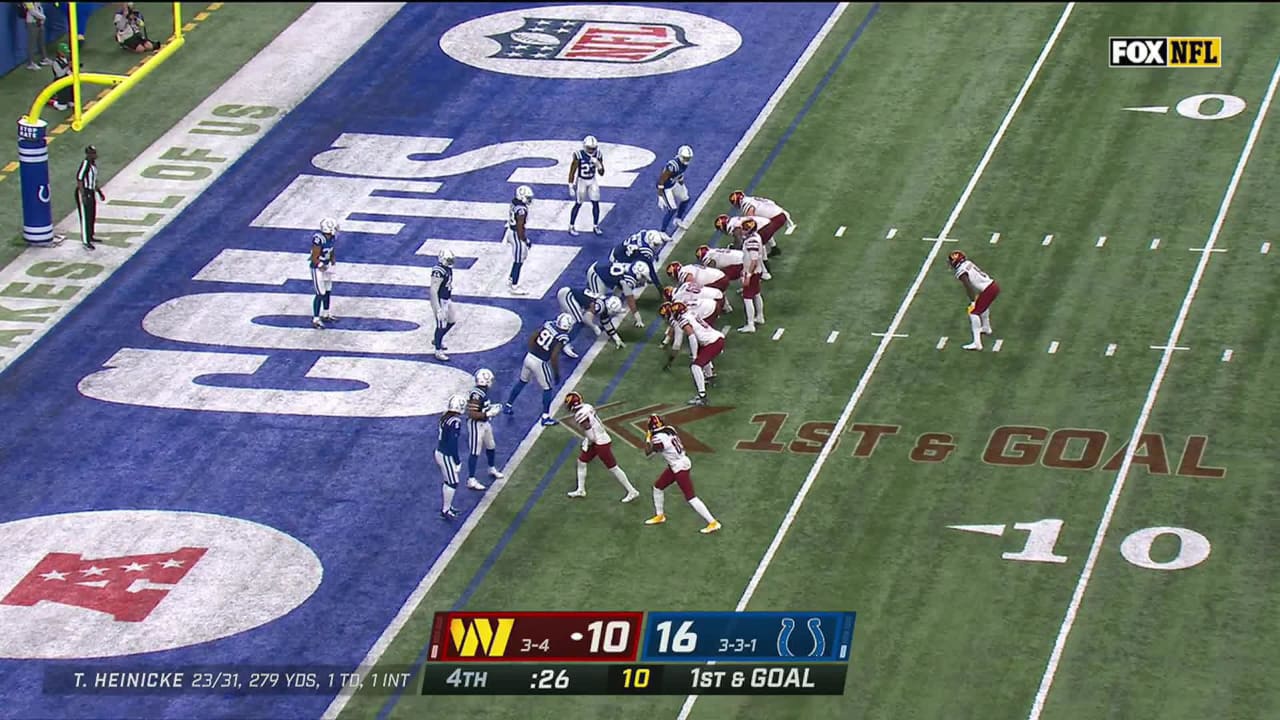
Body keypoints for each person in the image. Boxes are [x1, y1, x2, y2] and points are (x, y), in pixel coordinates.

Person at [643, 414, 720, 534]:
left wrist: (648, 438)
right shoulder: (670, 429)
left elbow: (648, 453)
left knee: (691, 497)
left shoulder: (658, 438)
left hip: (679, 467)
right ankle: (660, 515)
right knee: (658, 487)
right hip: (679, 463)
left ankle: (713, 522)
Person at [503, 313, 578, 426]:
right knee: (547, 388)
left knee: (522, 382)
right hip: (540, 362)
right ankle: (545, 417)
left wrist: (533, 350)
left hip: (529, 356)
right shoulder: (562, 336)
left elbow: (533, 336)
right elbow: (554, 356)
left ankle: (508, 405)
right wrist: (556, 373)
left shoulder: (549, 325)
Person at [564, 392, 639, 502]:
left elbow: (591, 436)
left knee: (613, 468)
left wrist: (587, 443)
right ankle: (580, 490)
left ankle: (632, 491)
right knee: (581, 461)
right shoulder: (587, 406)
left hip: (600, 443)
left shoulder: (580, 415)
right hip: (600, 438)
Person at [659, 301, 725, 407]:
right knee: (701, 351)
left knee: (695, 366)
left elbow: (692, 336)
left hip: (713, 342)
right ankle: (710, 377)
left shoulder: (683, 320)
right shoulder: (690, 313)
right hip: (716, 338)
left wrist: (694, 357)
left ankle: (702, 396)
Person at [948, 251, 1000, 351]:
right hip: (992, 285)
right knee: (983, 306)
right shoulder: (968, 263)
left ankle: (977, 343)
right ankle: (986, 328)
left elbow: (968, 286)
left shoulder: (961, 271)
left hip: (988, 289)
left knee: (973, 312)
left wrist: (972, 301)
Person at [465, 368, 504, 490]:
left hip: (485, 423)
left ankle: (491, 468)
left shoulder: (483, 391)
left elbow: (482, 408)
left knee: (491, 446)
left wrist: (492, 408)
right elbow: (471, 413)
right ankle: (471, 479)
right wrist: (488, 414)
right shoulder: (477, 394)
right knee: (475, 452)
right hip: (476, 425)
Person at [436, 395, 467, 520]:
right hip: (446, 454)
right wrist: (457, 460)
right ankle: (446, 510)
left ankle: (447, 507)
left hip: (440, 451)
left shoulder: (445, 416)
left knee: (448, 481)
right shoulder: (455, 421)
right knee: (453, 482)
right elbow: (452, 443)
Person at [568, 135, 605, 236]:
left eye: (593, 148)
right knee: (578, 203)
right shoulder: (578, 155)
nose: (591, 150)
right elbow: (573, 170)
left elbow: (602, 173)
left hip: (592, 180)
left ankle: (595, 225)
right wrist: (570, 185)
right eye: (589, 148)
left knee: (596, 203)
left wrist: (599, 165)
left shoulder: (598, 154)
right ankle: (571, 226)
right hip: (581, 181)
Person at [503, 185, 534, 295]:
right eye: (527, 197)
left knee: (522, 256)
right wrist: (525, 240)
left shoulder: (515, 203)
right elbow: (520, 227)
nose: (529, 199)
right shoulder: (521, 210)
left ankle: (512, 279)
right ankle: (514, 286)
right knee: (518, 260)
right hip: (516, 234)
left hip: (512, 231)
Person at [309, 218, 338, 328]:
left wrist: (332, 261)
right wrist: (321, 265)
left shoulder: (330, 237)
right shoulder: (319, 239)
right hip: (317, 268)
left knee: (327, 291)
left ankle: (326, 313)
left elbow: (331, 250)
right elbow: (314, 257)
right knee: (320, 293)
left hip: (326, 266)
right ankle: (316, 319)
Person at [657, 145, 694, 232]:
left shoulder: (683, 164)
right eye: (685, 158)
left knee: (686, 199)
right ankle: (662, 231)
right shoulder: (672, 165)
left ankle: (678, 220)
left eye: (688, 158)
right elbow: (662, 179)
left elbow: (679, 174)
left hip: (674, 183)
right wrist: (660, 195)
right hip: (666, 188)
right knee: (672, 209)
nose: (687, 160)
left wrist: (681, 183)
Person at [75, 146, 105, 251]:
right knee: (85, 217)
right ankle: (85, 241)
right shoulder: (86, 164)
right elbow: (79, 178)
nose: (95, 155)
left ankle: (90, 236)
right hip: (84, 191)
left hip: (91, 191)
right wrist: (83, 195)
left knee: (91, 215)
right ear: (88, 154)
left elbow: (93, 181)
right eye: (93, 153)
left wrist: (99, 192)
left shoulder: (93, 165)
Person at [429, 250, 456, 361]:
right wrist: (438, 308)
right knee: (441, 325)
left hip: (447, 299)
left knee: (452, 320)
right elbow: (433, 291)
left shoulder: (447, 269)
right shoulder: (438, 271)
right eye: (448, 260)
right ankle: (438, 350)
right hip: (440, 300)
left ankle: (437, 340)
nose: (450, 262)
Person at [23, 2, 50, 70]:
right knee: (32, 44)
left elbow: (39, 7)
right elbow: (32, 11)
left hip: (40, 22)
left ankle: (44, 58)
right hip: (32, 23)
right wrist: (43, 17)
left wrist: (42, 19)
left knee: (41, 42)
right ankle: (30, 63)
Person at [48, 43, 73, 111]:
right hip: (60, 83)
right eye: (64, 52)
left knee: (72, 103)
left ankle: (68, 100)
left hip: (68, 82)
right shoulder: (56, 62)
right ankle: (51, 101)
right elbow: (60, 74)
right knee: (62, 107)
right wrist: (68, 66)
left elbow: (69, 72)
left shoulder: (67, 59)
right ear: (59, 52)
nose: (66, 54)